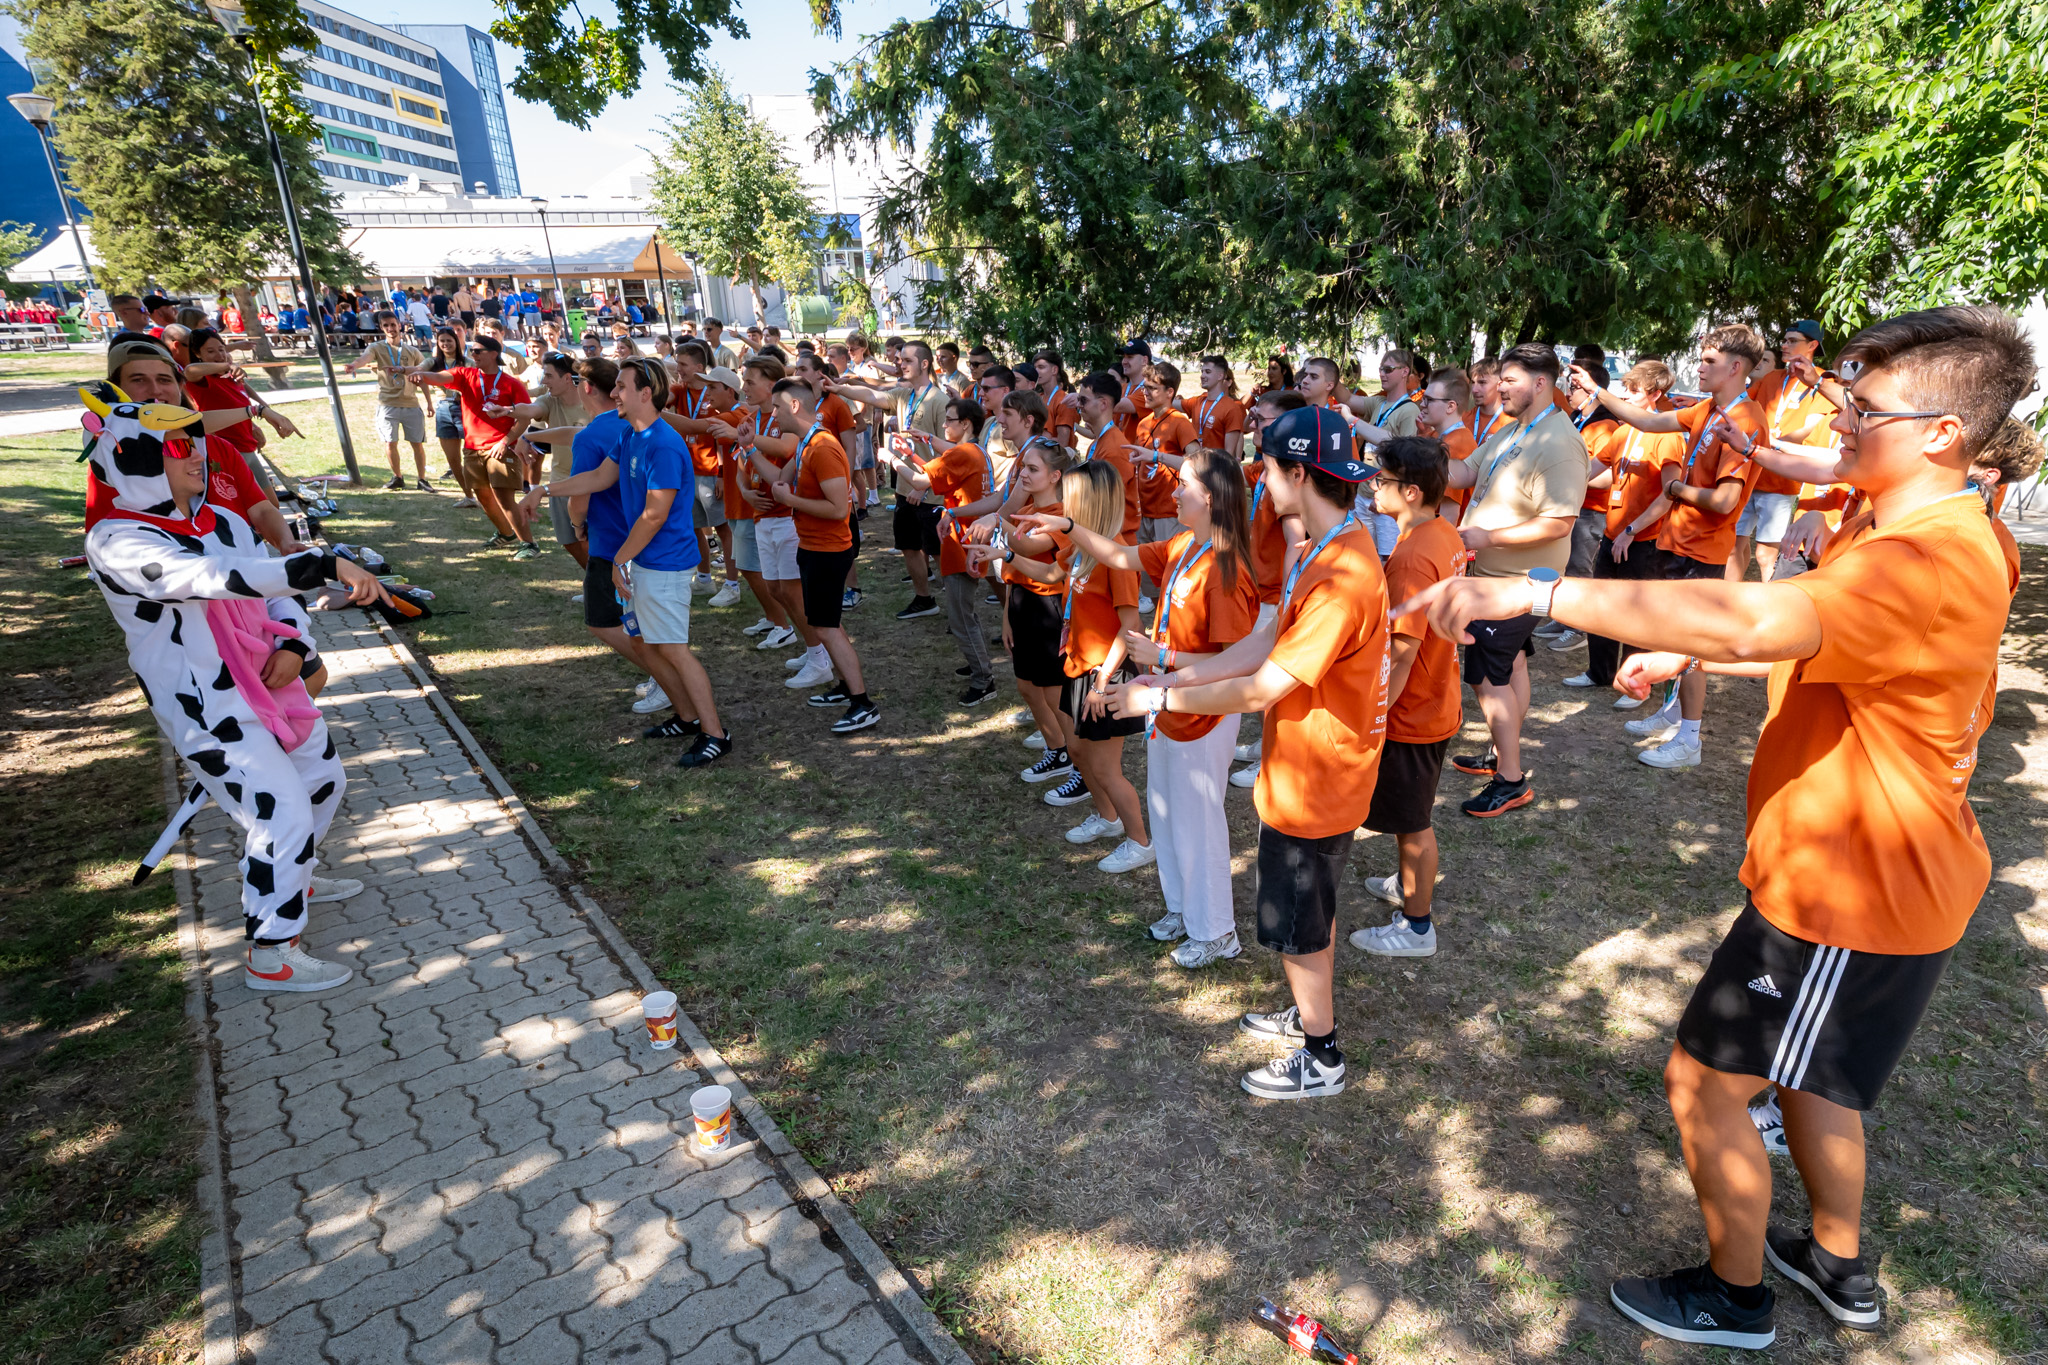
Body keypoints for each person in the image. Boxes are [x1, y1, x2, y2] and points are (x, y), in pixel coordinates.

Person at [1399, 303, 2031, 1350]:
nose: (1837, 421)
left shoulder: (1926, 556)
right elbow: (1829, 649)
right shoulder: (1932, 533)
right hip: (1872, 879)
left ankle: (1733, 1298)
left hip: (1847, 892)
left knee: (1702, 1083)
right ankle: (1833, 1264)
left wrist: (1536, 592)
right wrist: (1693, 656)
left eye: (1863, 408)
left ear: (1940, 436)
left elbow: (1752, 614)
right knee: (1809, 1080)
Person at [1106, 405, 1388, 1099]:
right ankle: (1306, 1013)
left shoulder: (1344, 573)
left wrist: (1161, 699)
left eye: (1268, 468)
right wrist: (1174, 674)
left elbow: (1263, 686)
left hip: (1319, 779)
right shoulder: (1319, 547)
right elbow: (1259, 646)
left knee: (1299, 922)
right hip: (1296, 768)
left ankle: (1321, 1056)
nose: (1259, 480)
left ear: (1299, 474)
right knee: (1298, 915)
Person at [82, 362, 393, 989]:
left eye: (194, 441)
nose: (196, 457)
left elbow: (272, 597)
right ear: (133, 461)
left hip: (271, 684)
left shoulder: (221, 520)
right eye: (176, 449)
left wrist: (295, 644)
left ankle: (292, 877)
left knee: (322, 784)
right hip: (207, 705)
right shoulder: (118, 541)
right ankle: (271, 954)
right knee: (279, 813)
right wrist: (319, 563)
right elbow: (214, 578)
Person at [1023, 449, 1259, 953]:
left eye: (1185, 485)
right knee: (1167, 812)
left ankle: (1217, 931)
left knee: (1199, 819)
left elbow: (1238, 658)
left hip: (1203, 711)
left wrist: (1163, 656)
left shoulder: (1226, 567)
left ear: (1211, 499)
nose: (1173, 491)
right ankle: (1182, 909)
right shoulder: (1181, 545)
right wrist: (1065, 524)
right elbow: (1117, 555)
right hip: (1165, 702)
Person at [1569, 324, 1768, 768]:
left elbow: (1725, 500)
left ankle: (1690, 740)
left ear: (1736, 367)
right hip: (1678, 541)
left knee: (1689, 642)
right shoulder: (1706, 410)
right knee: (1674, 636)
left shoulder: (1746, 420)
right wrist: (1597, 391)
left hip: (1703, 547)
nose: (1698, 368)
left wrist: (1676, 489)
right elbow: (1643, 419)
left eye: (1709, 362)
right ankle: (1673, 712)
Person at [529, 358, 732, 767]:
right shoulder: (630, 435)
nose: (615, 393)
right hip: (641, 562)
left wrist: (619, 560)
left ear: (645, 393)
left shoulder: (663, 443)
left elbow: (655, 515)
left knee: (674, 649)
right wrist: (544, 489)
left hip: (665, 564)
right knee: (648, 643)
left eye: (622, 387)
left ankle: (715, 734)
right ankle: (686, 717)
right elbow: (599, 478)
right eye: (616, 386)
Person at [1441, 342, 1586, 815]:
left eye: (1509, 380)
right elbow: (1465, 473)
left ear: (1540, 384)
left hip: (1517, 582)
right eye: (1499, 378)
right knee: (1513, 668)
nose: (1499, 387)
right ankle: (1502, 756)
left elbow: (1559, 522)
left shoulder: (1559, 442)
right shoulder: (1513, 429)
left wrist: (1486, 536)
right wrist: (1414, 456)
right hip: (1495, 575)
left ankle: (1511, 779)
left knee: (1489, 679)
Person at [994, 462, 1152, 866]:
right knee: (1080, 754)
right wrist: (1007, 554)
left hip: (1106, 674)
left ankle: (1140, 842)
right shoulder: (1082, 546)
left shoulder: (1114, 551)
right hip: (1079, 667)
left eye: (1074, 495)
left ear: (1091, 502)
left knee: (1105, 766)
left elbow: (1130, 625)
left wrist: (1102, 685)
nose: (1066, 503)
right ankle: (1107, 817)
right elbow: (1050, 572)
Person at [1350, 436, 1465, 959]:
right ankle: (1405, 882)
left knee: (1414, 819)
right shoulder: (1442, 533)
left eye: (1385, 480)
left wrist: (1377, 716)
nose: (1376, 486)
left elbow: (1400, 653)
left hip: (1414, 711)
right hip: (1436, 699)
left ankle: (1417, 926)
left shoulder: (1412, 559)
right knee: (1408, 815)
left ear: (1412, 492)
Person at [765, 377, 881, 733]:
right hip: (813, 547)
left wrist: (790, 501)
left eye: (777, 408)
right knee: (824, 623)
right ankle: (847, 687)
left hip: (828, 551)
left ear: (795, 406)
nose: (773, 415)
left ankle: (863, 704)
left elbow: (836, 508)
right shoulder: (807, 443)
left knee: (827, 628)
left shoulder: (822, 447)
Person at [1570, 361, 1684, 694]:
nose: (1627, 395)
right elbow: (1603, 472)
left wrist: (1631, 531)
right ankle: (1599, 672)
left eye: (1634, 390)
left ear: (1655, 395)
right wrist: (1565, 483)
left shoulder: (1668, 436)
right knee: (1601, 606)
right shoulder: (1624, 431)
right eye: (1626, 387)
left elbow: (1669, 494)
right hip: (1613, 532)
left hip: (1644, 539)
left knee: (1637, 613)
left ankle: (1634, 680)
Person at [829, 341, 952, 620]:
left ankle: (956, 604)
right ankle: (924, 599)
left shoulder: (940, 401)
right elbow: (872, 395)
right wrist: (840, 388)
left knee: (938, 552)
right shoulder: (904, 394)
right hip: (905, 487)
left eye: (907, 360)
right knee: (909, 546)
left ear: (924, 364)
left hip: (931, 492)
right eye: (900, 359)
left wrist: (926, 487)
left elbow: (950, 452)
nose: (900, 363)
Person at [900, 396, 1000, 704]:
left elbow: (921, 480)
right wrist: (912, 455)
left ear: (966, 424)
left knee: (960, 615)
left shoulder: (964, 453)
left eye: (949, 420)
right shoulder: (975, 451)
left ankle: (984, 679)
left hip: (963, 543)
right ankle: (976, 664)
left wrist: (890, 459)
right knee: (963, 610)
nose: (944, 425)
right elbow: (941, 473)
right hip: (967, 538)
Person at [704, 355, 804, 658]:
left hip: (786, 513)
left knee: (781, 583)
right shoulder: (751, 420)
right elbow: (742, 462)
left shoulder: (780, 418)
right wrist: (745, 491)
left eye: (749, 381)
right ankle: (779, 624)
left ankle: (787, 629)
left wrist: (743, 438)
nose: (743, 386)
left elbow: (788, 447)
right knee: (765, 578)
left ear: (771, 385)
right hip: (760, 510)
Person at [406, 336, 539, 558]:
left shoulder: (511, 384)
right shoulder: (465, 375)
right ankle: (506, 535)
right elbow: (438, 377)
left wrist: (505, 441)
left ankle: (529, 544)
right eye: (472, 351)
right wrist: (413, 373)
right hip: (472, 448)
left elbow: (524, 419)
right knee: (483, 496)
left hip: (500, 447)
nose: (473, 355)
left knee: (504, 498)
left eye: (478, 351)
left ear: (494, 354)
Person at [1731, 320, 1836, 583]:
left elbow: (1807, 431)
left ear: (1812, 345)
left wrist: (1771, 446)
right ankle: (1728, 602)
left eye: (1792, 341)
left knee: (1767, 555)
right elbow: (1740, 405)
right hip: (1752, 471)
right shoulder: (1771, 378)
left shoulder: (1823, 382)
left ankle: (1769, 610)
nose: (1784, 345)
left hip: (1781, 480)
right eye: (1784, 340)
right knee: (1734, 545)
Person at [1536, 361, 1621, 652]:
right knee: (1566, 565)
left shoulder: (1607, 425)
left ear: (1592, 391)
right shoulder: (1575, 418)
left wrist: (1571, 477)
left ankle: (1579, 627)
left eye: (1574, 387)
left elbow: (1610, 477)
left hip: (1592, 511)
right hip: (1572, 504)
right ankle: (1564, 617)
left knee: (1581, 568)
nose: (1568, 392)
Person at [506, 353, 591, 563]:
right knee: (569, 541)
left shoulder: (592, 403)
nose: (544, 381)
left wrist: (527, 436)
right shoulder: (549, 400)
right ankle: (597, 587)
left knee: (589, 541)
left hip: (590, 483)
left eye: (549, 376)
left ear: (568, 378)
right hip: (559, 481)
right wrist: (509, 410)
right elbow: (532, 409)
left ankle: (606, 590)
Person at [344, 311, 430, 490]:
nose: (390, 328)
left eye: (393, 324)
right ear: (381, 328)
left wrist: (429, 402)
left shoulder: (412, 351)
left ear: (400, 325)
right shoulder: (376, 347)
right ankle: (397, 477)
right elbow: (364, 358)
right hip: (387, 404)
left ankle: (422, 479)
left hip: (410, 404)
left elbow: (423, 372)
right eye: (386, 325)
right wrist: (354, 365)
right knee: (390, 442)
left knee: (417, 444)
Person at [1073, 372, 1142, 543]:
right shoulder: (1100, 441)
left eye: (1083, 400)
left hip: (1115, 542)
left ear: (1103, 404)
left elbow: (1105, 505)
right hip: (1105, 537)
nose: (1078, 405)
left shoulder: (1113, 449)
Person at [415, 328, 476, 506]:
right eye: (442, 341)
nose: (445, 344)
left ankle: (484, 493)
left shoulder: (467, 362)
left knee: (473, 456)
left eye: (449, 340)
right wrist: (403, 369)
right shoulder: (433, 362)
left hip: (465, 408)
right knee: (453, 459)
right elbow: (419, 369)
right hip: (443, 410)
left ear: (456, 342)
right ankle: (469, 496)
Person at [1184, 356, 1246, 458]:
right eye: (1202, 371)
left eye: (1207, 372)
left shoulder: (1232, 408)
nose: (1202, 376)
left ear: (1220, 376)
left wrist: (1237, 459)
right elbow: (1169, 402)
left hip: (1216, 468)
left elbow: (1229, 453)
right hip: (1196, 466)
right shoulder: (1198, 401)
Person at [1033, 350, 1079, 447]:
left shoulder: (1063, 400)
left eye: (1041, 367)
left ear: (1054, 370)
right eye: (1035, 368)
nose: (1036, 371)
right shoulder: (1039, 398)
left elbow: (1063, 443)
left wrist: (1035, 439)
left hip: (1056, 459)